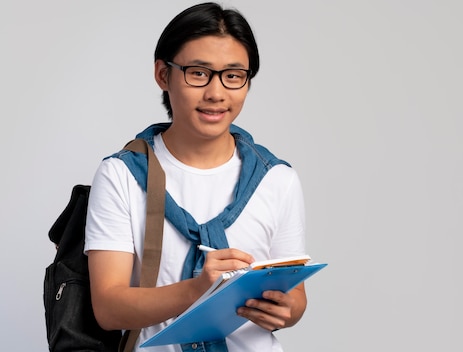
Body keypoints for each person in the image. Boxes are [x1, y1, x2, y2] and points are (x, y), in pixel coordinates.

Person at [84, 3, 308, 351]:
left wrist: (285, 310)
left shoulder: (276, 178)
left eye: (233, 76)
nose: (217, 93)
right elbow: (109, 308)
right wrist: (198, 288)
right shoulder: (122, 174)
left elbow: (296, 301)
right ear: (163, 74)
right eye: (198, 73)